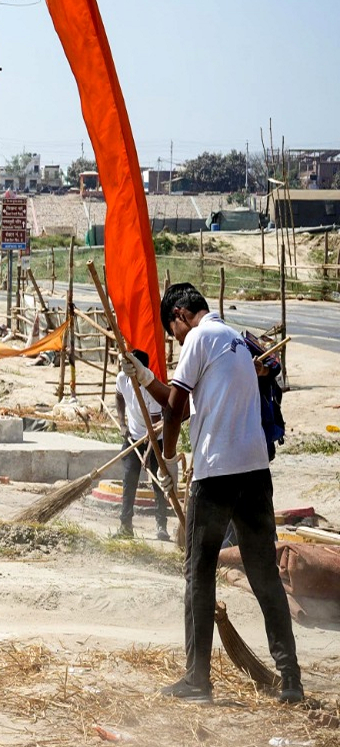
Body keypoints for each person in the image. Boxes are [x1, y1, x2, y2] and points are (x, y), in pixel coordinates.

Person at [124, 282, 303, 705]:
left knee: (199, 573)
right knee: (264, 575)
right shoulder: (236, 341)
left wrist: (168, 460)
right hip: (254, 472)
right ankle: (291, 679)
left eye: (173, 332)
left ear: (180, 315)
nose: (177, 340)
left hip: (217, 473)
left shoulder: (199, 337)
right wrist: (146, 378)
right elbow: (183, 404)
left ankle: (197, 681)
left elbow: (174, 410)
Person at [113, 347, 169, 542]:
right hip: (133, 438)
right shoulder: (122, 378)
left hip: (155, 440)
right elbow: (119, 396)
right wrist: (122, 424)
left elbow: (155, 428)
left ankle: (161, 526)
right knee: (129, 480)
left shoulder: (151, 390)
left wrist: (148, 454)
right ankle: (125, 525)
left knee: (159, 483)